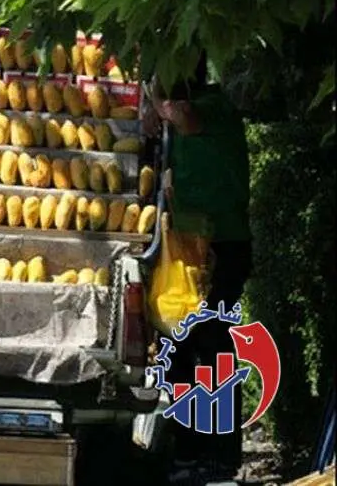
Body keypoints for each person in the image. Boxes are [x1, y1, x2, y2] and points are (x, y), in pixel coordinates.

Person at [146, 53, 252, 484]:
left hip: (221, 252)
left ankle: (218, 455)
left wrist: (153, 100)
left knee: (210, 350)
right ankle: (188, 450)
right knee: (183, 352)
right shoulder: (183, 113)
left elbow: (184, 116)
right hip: (191, 253)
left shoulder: (211, 107)